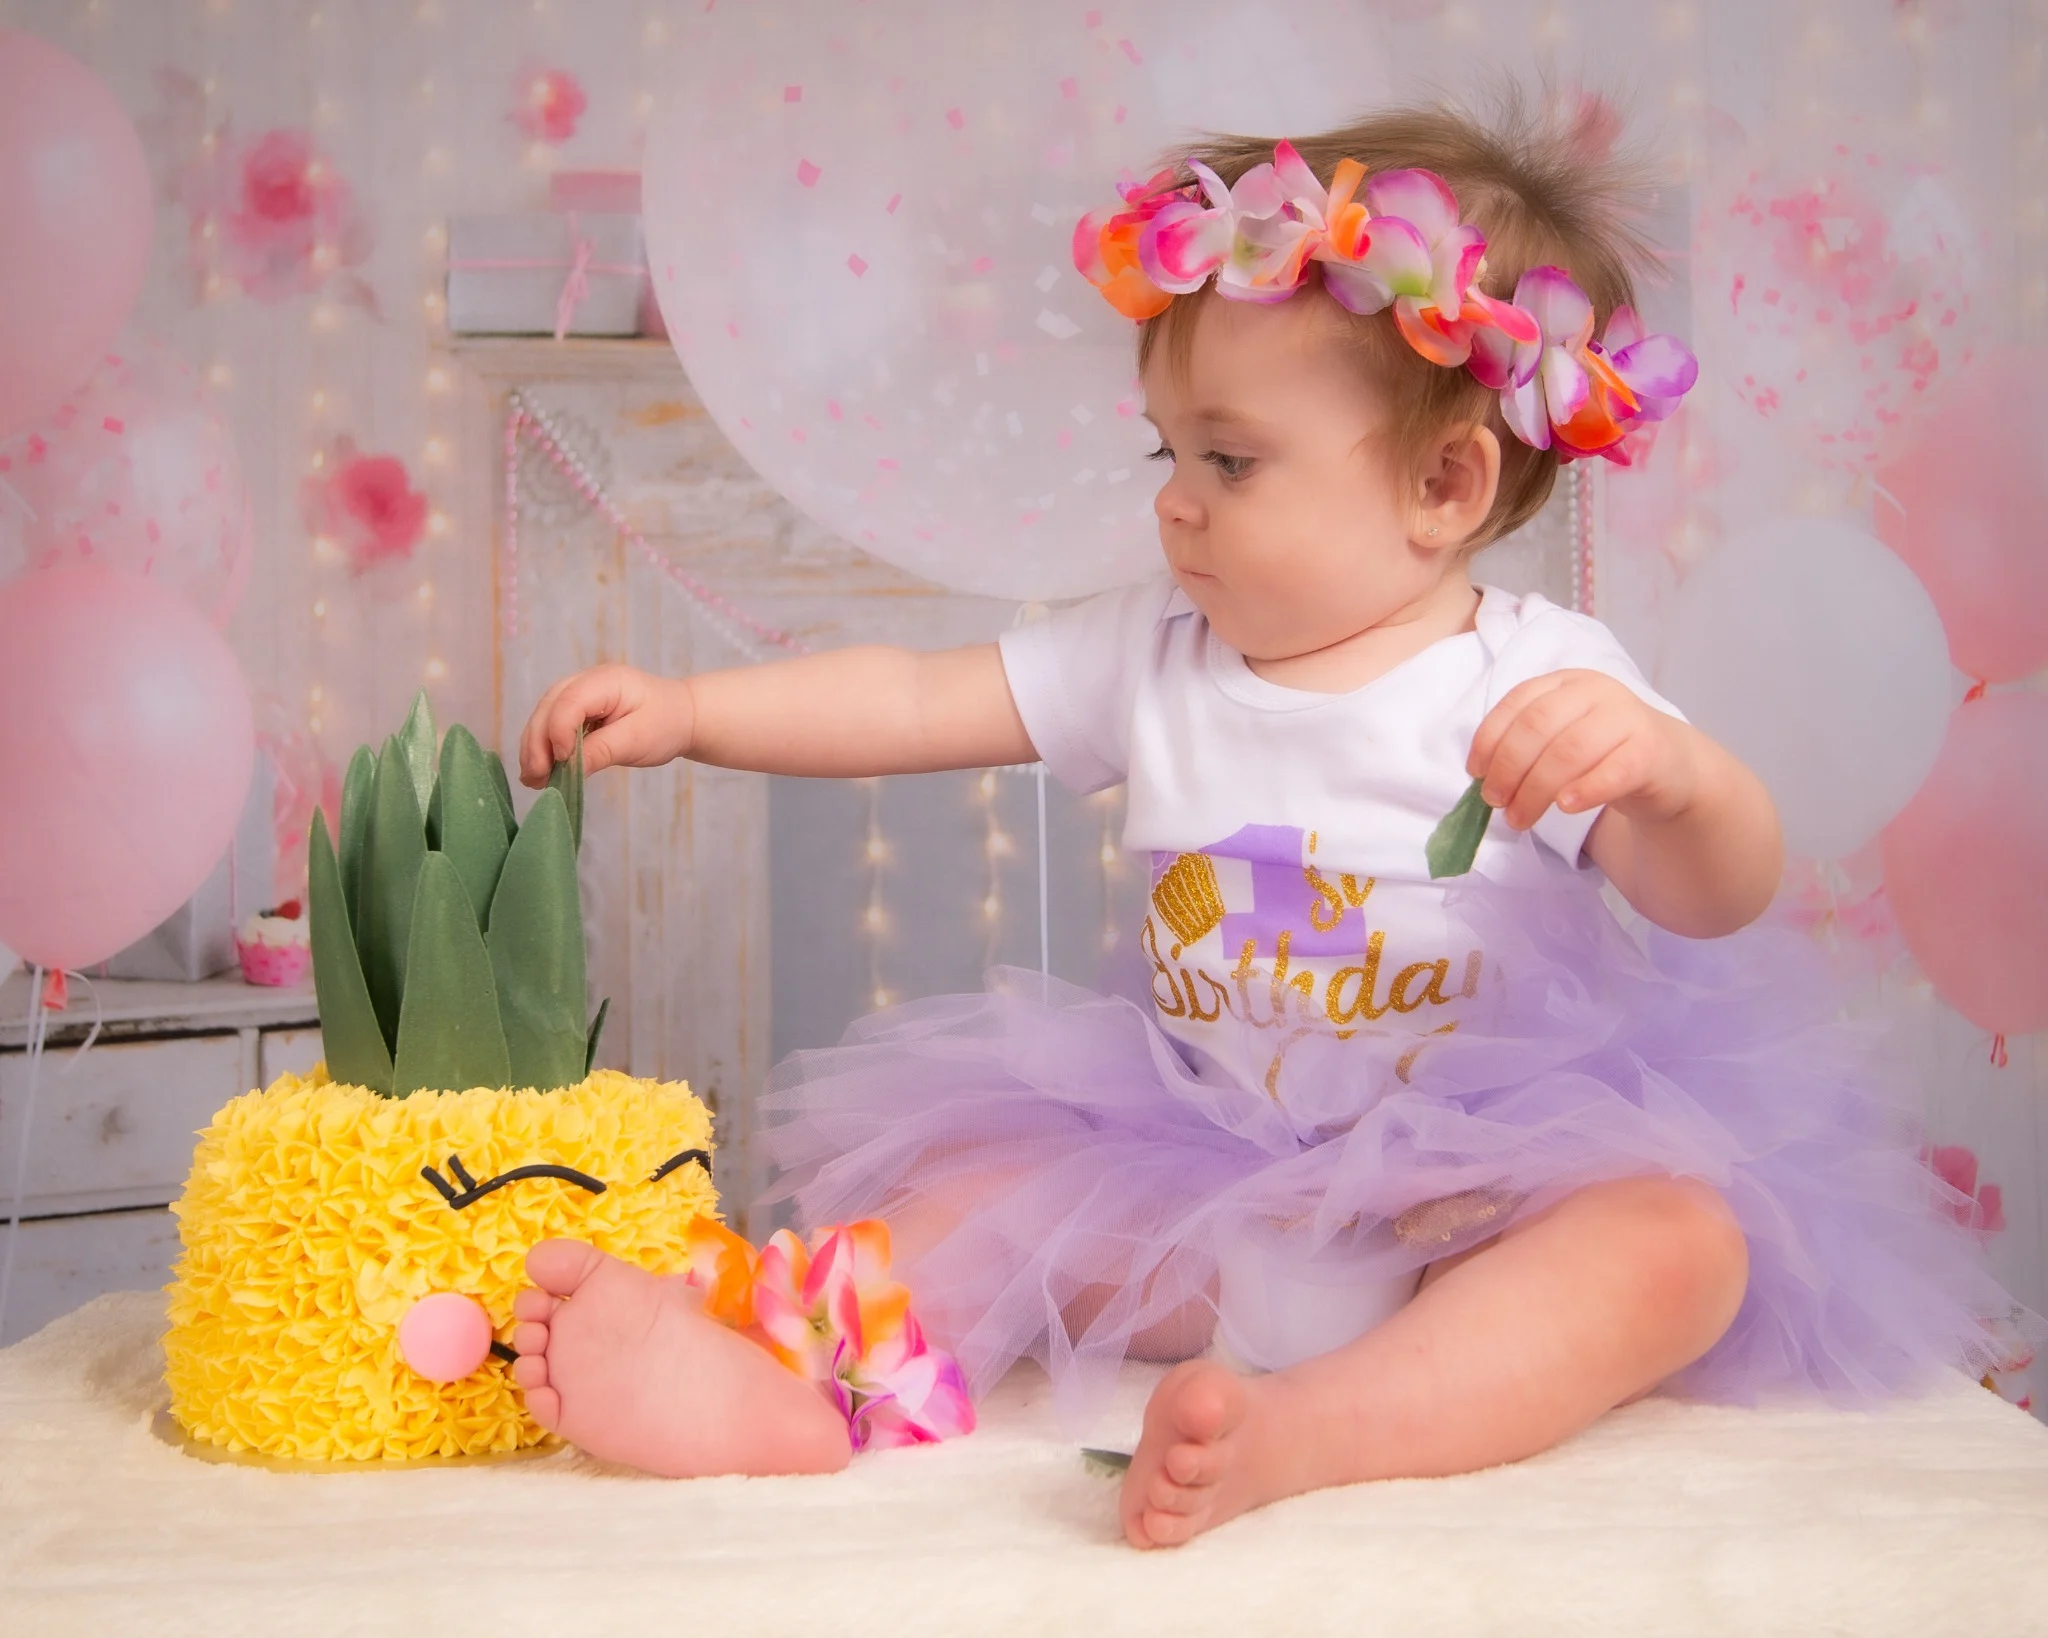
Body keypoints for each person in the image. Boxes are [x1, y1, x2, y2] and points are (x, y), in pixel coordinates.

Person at [506, 95, 2036, 1548]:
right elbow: (916, 697)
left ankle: (1319, 1428)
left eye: (1229, 461)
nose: (1177, 502)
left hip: (1478, 1204)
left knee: (1679, 1244)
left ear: (1445, 481)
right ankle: (780, 1385)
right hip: (1204, 1183)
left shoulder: (1537, 676)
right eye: (1167, 453)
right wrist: (699, 715)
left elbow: (1715, 894)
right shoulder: (1151, 658)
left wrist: (1676, 778)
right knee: (969, 1206)